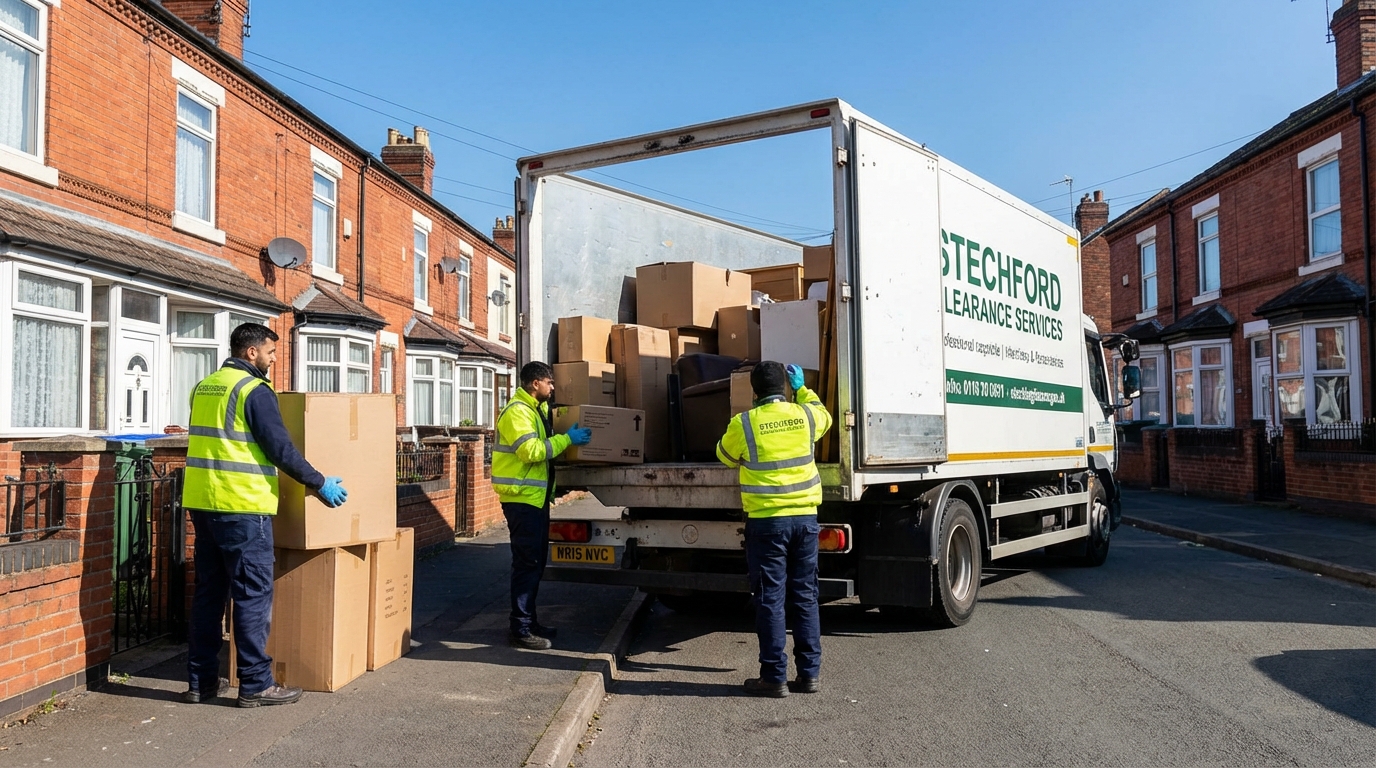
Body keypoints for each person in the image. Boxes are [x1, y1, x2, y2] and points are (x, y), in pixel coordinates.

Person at [182, 323, 349, 707]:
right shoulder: (253, 390)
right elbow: (280, 448)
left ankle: (200, 682)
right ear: (252, 352)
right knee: (252, 595)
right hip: (243, 507)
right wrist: (318, 482)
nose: (274, 360)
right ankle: (256, 683)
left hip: (203, 504)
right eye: (271, 352)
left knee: (208, 596)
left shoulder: (204, 386)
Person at [716, 361, 832, 698]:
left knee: (770, 599)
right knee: (806, 596)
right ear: (785, 387)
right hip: (805, 520)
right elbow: (823, 414)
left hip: (767, 523)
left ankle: (774, 677)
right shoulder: (806, 415)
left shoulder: (745, 423)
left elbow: (724, 455)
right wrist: (803, 389)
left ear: (754, 392)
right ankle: (809, 676)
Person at [493, 360, 591, 650]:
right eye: (549, 382)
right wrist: (566, 439)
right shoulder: (517, 412)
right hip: (521, 500)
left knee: (534, 564)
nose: (553, 387)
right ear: (535, 383)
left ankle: (529, 622)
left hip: (533, 500)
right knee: (527, 564)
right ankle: (521, 629)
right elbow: (531, 451)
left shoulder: (535, 409)